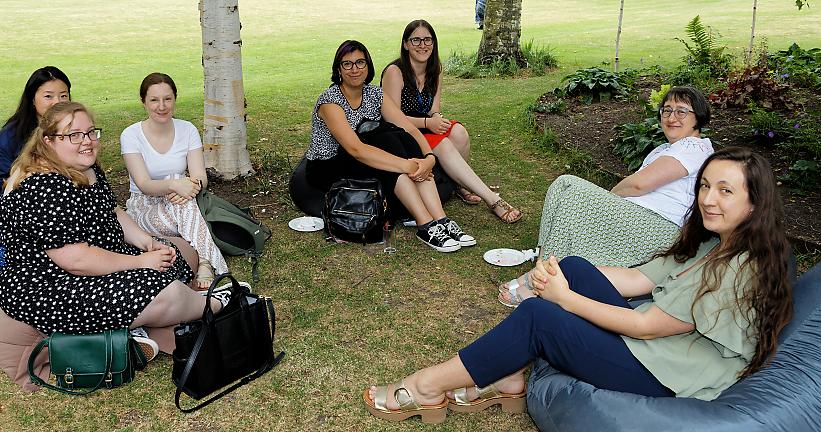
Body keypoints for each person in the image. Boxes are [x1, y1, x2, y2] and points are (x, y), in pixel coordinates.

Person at [364, 147, 793, 423]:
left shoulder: (741, 267)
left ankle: (425, 387)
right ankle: (512, 379)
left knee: (538, 316)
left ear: (755, 202)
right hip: (657, 349)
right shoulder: (715, 244)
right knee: (576, 266)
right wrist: (559, 275)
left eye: (725, 191)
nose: (708, 199)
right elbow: (635, 280)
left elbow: (646, 328)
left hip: (668, 375)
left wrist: (562, 298)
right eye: (704, 186)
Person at [0, 102, 236, 359]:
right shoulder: (44, 188)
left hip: (102, 259)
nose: (87, 141)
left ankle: (134, 329)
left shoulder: (85, 168)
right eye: (73, 135)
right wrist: (140, 262)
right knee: (163, 289)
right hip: (53, 286)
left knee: (176, 254)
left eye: (90, 132)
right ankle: (216, 303)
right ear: (48, 141)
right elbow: (76, 260)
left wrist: (146, 243)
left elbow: (114, 212)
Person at [499, 86, 714, 307]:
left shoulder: (694, 147)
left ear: (698, 116)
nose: (671, 117)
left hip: (659, 227)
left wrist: (606, 199)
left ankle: (541, 283)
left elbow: (640, 184)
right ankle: (542, 268)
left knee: (572, 190)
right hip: (640, 216)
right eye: (666, 110)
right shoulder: (664, 149)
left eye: (681, 111)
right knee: (563, 186)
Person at [306, 40, 475, 253]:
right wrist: (407, 166)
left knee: (399, 138)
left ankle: (441, 219)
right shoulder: (331, 101)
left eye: (360, 62)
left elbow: (410, 129)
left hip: (359, 153)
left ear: (368, 66)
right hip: (328, 162)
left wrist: (428, 158)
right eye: (347, 64)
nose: (355, 69)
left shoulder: (374, 94)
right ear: (338, 69)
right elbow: (356, 149)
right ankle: (425, 224)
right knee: (387, 166)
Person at [382, 20, 521, 224]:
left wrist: (437, 119)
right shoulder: (395, 72)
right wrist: (429, 124)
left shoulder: (435, 68)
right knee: (443, 143)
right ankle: (493, 200)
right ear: (405, 44)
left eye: (427, 39)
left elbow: (434, 109)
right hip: (401, 131)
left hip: (425, 125)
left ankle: (460, 185)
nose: (423, 45)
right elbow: (392, 117)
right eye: (416, 40)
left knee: (459, 133)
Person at [0, 66, 71, 286]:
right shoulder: (12, 136)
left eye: (63, 95)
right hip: (19, 207)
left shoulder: (74, 129)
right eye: (48, 96)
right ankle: (4, 271)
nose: (57, 102)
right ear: (33, 99)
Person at [121, 73, 228, 289]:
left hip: (180, 201)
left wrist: (186, 186)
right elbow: (144, 184)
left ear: (175, 99)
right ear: (143, 102)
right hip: (144, 209)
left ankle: (205, 261)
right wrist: (174, 184)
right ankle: (208, 261)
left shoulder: (187, 129)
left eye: (167, 99)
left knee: (182, 192)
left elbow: (200, 178)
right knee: (178, 183)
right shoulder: (131, 135)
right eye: (154, 100)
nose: (162, 106)